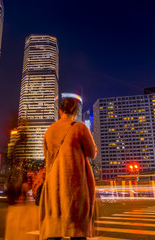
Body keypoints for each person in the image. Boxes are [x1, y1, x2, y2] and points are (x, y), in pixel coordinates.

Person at [39, 98, 97, 240]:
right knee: (76, 231)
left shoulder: (49, 131)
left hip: (53, 186)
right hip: (74, 186)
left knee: (54, 229)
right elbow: (92, 153)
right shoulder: (80, 128)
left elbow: (47, 158)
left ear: (60, 111)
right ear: (76, 113)